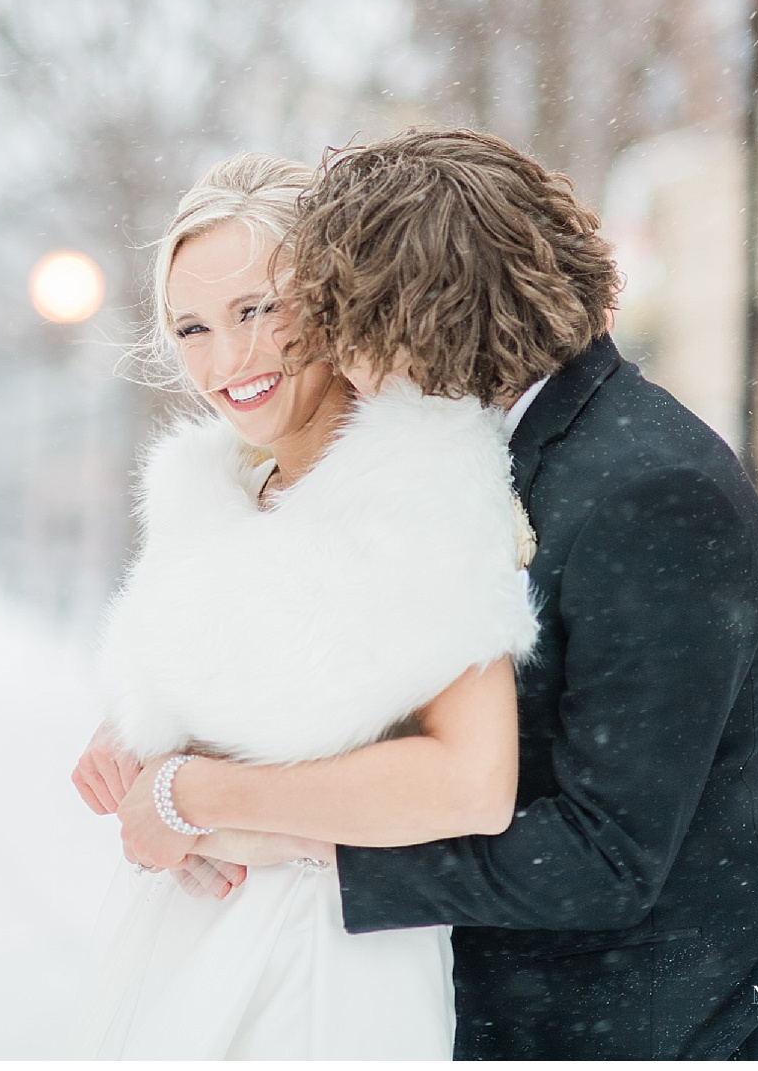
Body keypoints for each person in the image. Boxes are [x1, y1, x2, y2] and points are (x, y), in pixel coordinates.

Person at [159, 127, 758, 1060]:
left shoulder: (649, 491)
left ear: (410, 313)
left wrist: (306, 846)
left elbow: (608, 857)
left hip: (647, 1027)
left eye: (335, 313)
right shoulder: (492, 452)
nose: (327, 350)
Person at [69, 151, 539, 1059]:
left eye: (257, 310)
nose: (228, 359)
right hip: (187, 940)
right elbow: (250, 674)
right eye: (194, 327)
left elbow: (472, 783)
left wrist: (191, 793)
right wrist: (133, 731)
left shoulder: (423, 482)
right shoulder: (215, 492)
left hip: (329, 959)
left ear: (330, 296)